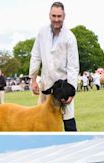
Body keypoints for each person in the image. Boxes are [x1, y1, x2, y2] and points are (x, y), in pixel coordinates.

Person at [29, 1, 79, 131]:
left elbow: (73, 66)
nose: (56, 19)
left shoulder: (70, 37)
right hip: (46, 85)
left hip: (63, 87)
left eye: (59, 16)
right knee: (44, 122)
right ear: (49, 15)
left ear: (64, 16)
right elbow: (35, 55)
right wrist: (33, 79)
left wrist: (72, 91)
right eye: (54, 16)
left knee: (68, 121)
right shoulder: (42, 33)